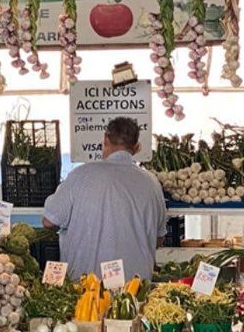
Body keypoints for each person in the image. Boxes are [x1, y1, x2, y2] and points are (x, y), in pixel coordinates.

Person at [43, 116, 168, 283]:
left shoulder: (80, 176)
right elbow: (159, 239)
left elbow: (49, 221)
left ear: (105, 139)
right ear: (137, 147)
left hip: (85, 290)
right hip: (134, 292)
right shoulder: (151, 182)